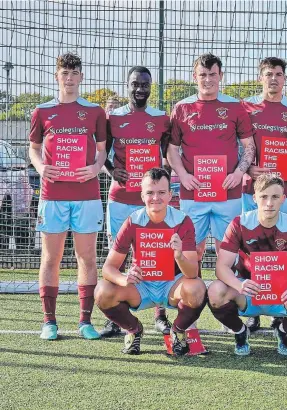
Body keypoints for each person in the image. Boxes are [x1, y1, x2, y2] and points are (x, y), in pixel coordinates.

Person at [29, 52, 107, 341]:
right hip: (53, 194)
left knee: (86, 257)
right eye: (65, 73)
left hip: (86, 195)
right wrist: (40, 167)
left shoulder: (95, 112)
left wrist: (96, 169)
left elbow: (102, 151)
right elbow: (34, 149)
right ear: (57, 77)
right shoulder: (42, 111)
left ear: (81, 77)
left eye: (74, 73)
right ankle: (49, 321)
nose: (70, 78)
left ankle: (85, 321)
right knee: (51, 258)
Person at [207, 174, 287, 356]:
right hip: (246, 292)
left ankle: (284, 329)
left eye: (275, 197)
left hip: (281, 294)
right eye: (264, 196)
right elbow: (221, 268)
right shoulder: (239, 223)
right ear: (255, 198)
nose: (269, 203)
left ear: (283, 199)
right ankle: (240, 332)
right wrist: (239, 285)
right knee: (215, 291)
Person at [95, 168, 207, 356]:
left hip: (172, 284)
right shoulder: (133, 221)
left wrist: (179, 255)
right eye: (150, 193)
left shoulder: (182, 221)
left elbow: (192, 273)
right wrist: (124, 279)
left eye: (161, 192)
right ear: (142, 195)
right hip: (141, 284)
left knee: (197, 288)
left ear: (170, 195)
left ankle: (177, 331)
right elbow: (108, 268)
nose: (156, 197)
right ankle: (134, 329)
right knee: (102, 292)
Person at [167, 53, 256, 279]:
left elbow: (249, 147)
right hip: (193, 193)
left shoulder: (234, 107)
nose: (208, 80)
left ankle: (224, 302)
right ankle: (192, 300)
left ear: (221, 76)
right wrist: (184, 176)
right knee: (192, 251)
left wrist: (238, 173)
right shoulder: (181, 108)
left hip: (228, 192)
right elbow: (171, 150)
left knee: (226, 252)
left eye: (213, 75)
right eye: (203, 75)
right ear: (194, 76)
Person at [99, 66, 173, 338]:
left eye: (145, 84)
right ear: (127, 85)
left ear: (150, 87)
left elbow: (168, 155)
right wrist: (110, 170)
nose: (140, 89)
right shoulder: (113, 118)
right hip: (120, 197)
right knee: (115, 257)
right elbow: (101, 153)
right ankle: (115, 317)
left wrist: (162, 178)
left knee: (157, 255)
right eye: (135, 84)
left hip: (150, 201)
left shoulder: (161, 119)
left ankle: (161, 315)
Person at [240, 57, 287, 332]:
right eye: (269, 74)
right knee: (250, 246)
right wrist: (249, 167)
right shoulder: (246, 107)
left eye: (279, 74)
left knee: (283, 247)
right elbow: (237, 146)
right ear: (260, 78)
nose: (274, 79)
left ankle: (279, 305)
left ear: (284, 79)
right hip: (253, 190)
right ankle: (252, 307)